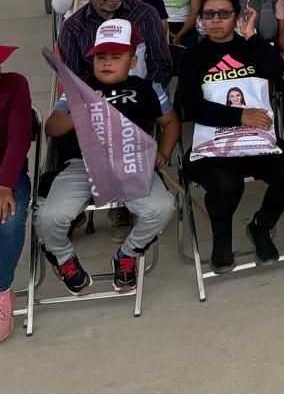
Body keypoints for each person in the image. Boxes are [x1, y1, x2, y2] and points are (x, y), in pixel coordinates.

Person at [38, 19, 178, 295]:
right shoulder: (78, 88)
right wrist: (77, 114)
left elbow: (171, 122)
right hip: (83, 165)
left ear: (133, 59)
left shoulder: (149, 89)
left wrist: (163, 153)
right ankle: (64, 259)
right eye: (101, 57)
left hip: (130, 164)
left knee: (161, 208)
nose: (107, 62)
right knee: (49, 217)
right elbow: (51, 127)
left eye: (117, 56)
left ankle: (128, 254)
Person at [180, 0, 284, 272]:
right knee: (226, 184)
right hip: (215, 143)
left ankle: (261, 226)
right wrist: (240, 116)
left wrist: (251, 35)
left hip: (256, 139)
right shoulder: (192, 57)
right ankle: (221, 240)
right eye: (209, 14)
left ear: (236, 16)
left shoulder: (251, 46)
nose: (216, 20)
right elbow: (192, 108)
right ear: (201, 19)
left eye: (224, 13)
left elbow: (275, 70)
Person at [58, 0, 173, 85]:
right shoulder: (73, 26)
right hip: (96, 100)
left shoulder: (145, 14)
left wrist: (145, 96)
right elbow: (72, 76)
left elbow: (161, 64)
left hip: (143, 97)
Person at [0, 48, 33, 340]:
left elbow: (19, 138)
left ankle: (1, 291)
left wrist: (4, 185)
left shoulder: (14, 84)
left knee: (8, 218)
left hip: (8, 176)